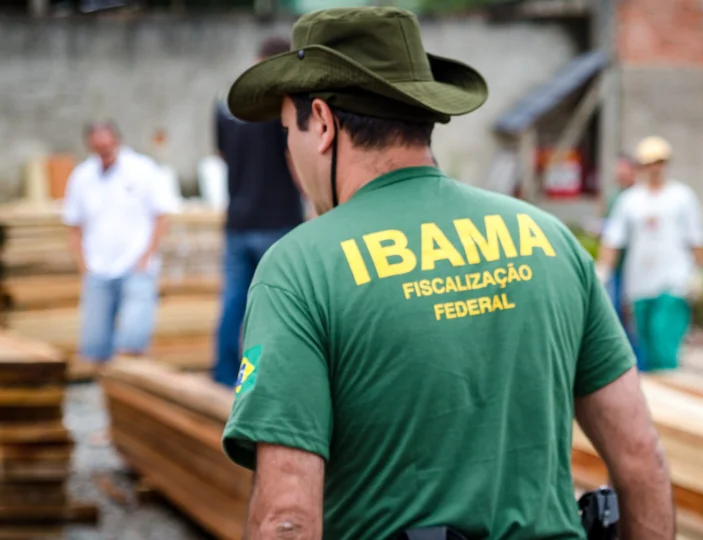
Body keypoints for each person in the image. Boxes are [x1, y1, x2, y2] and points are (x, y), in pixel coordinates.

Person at [220, 7, 673, 540]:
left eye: (286, 132)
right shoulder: (550, 239)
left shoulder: (299, 269)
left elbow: (287, 520)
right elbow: (642, 459)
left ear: (321, 121)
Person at [211, 36, 306, 387]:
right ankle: (268, 380)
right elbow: (292, 157)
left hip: (237, 220)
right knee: (276, 305)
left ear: (257, 58)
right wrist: (313, 204)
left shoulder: (228, 103)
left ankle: (225, 379)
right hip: (277, 220)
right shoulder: (280, 105)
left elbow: (222, 155)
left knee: (233, 303)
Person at [62, 121, 178, 365]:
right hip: (98, 269)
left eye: (107, 145)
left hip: (135, 266)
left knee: (133, 342)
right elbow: (73, 224)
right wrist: (84, 266)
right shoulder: (82, 176)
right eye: (98, 147)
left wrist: (146, 257)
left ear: (117, 142)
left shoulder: (143, 170)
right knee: (95, 346)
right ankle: (102, 397)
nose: (104, 151)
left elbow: (161, 215)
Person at [596, 136, 703, 373]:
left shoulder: (681, 197)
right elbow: (613, 239)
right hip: (639, 282)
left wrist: (700, 272)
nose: (654, 169)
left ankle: (672, 394)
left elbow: (697, 237)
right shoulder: (629, 200)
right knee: (644, 342)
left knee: (664, 338)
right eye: (649, 163)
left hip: (673, 280)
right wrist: (603, 271)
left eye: (659, 162)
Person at [603, 154, 644, 368]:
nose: (618, 172)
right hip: (616, 267)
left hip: (637, 267)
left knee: (636, 319)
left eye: (623, 168)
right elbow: (610, 234)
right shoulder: (614, 196)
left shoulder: (638, 197)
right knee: (616, 314)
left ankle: (640, 364)